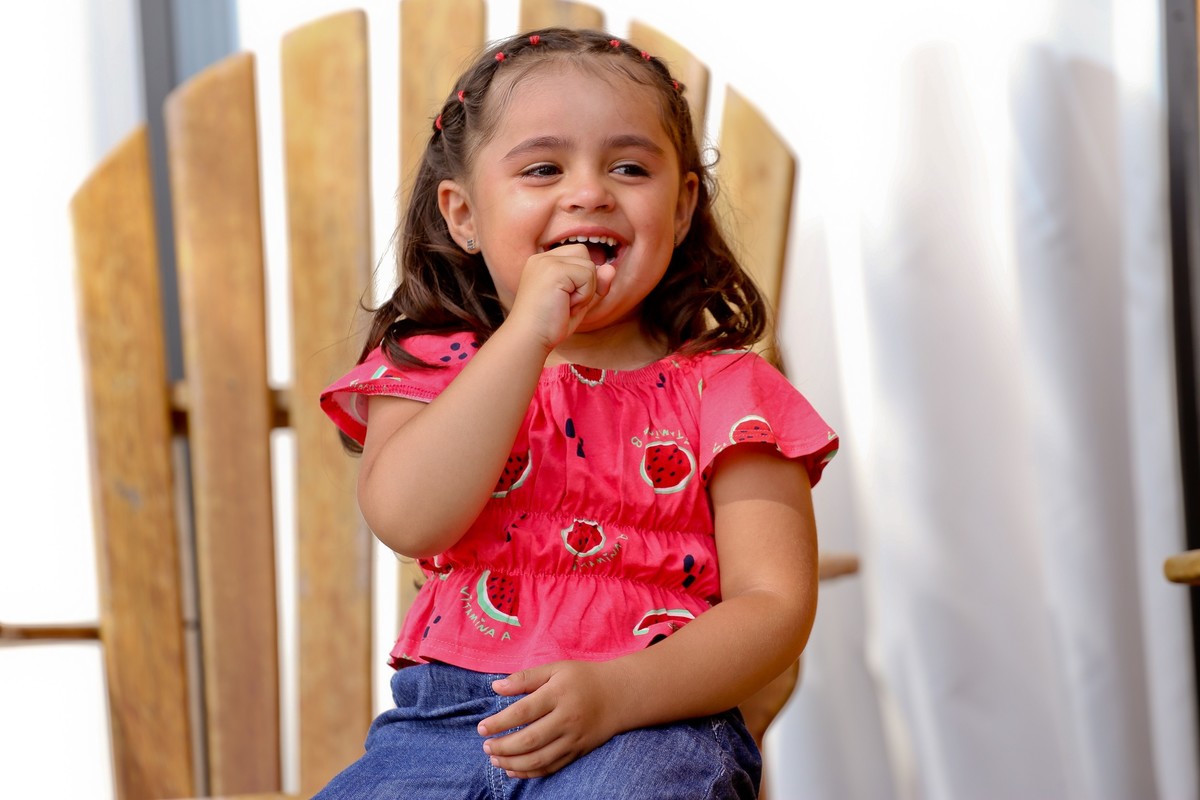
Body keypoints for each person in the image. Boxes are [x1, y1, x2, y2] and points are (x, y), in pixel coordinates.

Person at [315, 27, 838, 799]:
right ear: (463, 214)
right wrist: (526, 336)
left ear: (682, 207)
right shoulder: (433, 364)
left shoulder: (729, 390)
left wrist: (621, 693)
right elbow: (408, 519)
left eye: (630, 168)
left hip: (652, 720)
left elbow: (776, 604)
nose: (589, 192)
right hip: (444, 724)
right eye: (543, 169)